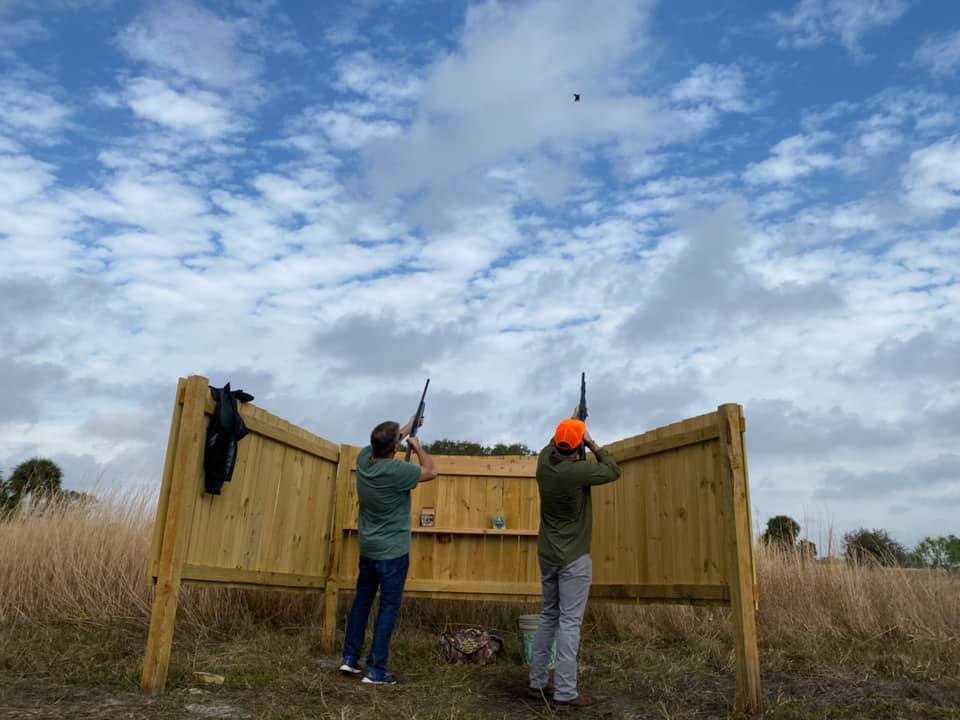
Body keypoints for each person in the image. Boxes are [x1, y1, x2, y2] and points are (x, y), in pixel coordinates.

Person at [528, 414, 621, 707]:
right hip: (574, 558)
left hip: (547, 554)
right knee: (569, 622)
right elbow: (612, 470)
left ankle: (537, 681)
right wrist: (591, 441)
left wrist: (573, 422)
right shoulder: (578, 471)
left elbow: (552, 443)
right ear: (579, 446)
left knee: (549, 616)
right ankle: (565, 691)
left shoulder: (544, 463)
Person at [339, 416, 437, 685]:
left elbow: (384, 443)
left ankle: (349, 659)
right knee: (388, 607)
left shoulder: (363, 459)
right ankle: (377, 669)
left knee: (362, 601)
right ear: (395, 448)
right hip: (393, 550)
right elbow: (431, 471)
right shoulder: (397, 471)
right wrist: (417, 447)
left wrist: (409, 425)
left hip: (368, 548)